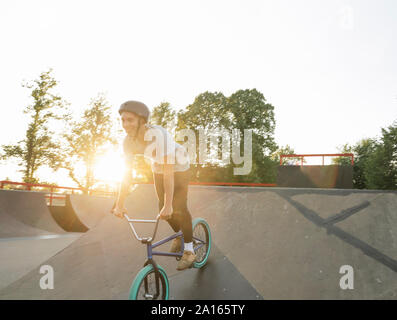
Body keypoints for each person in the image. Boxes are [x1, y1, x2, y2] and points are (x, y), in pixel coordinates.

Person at [111, 100, 196, 270]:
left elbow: (169, 173)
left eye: (130, 120)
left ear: (142, 121)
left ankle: (189, 249)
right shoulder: (128, 142)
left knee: (177, 206)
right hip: (158, 166)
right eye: (123, 120)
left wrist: (169, 204)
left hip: (178, 165)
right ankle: (180, 234)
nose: (125, 124)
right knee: (161, 208)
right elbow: (127, 174)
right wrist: (119, 204)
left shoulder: (158, 135)